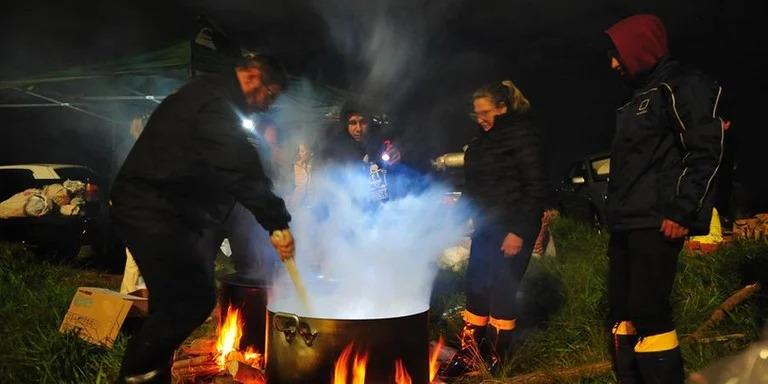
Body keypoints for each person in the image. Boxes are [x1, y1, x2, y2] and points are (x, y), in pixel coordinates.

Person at [110, 54, 295, 383]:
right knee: (191, 298)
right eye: (270, 95)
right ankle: (137, 376)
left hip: (162, 207)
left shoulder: (210, 93)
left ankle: (152, 375)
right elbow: (239, 165)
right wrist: (276, 221)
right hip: (150, 207)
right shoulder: (214, 102)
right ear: (253, 77)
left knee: (172, 301)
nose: (268, 106)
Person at [603, 14, 724, 383]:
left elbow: (704, 151)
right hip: (626, 220)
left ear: (640, 48)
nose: (613, 64)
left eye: (618, 54)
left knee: (648, 310)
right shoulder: (634, 98)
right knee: (622, 311)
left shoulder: (681, 85)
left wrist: (682, 210)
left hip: (657, 220)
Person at [441, 80, 548, 377]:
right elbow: (474, 189)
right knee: (476, 287)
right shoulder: (479, 144)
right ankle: (471, 354)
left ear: (502, 108)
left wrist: (519, 232)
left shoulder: (523, 137)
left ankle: (498, 359)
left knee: (502, 291)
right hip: (486, 228)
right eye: (476, 113)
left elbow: (536, 188)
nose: (480, 119)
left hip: (513, 228)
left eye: (485, 112)